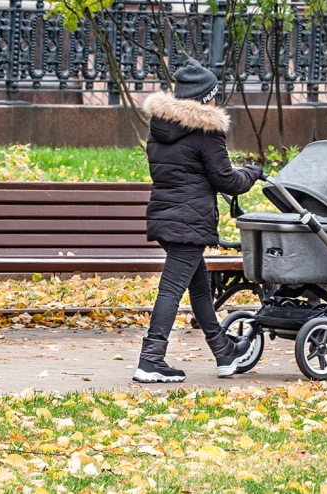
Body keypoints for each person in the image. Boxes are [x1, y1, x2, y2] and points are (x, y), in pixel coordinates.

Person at [133, 59, 264, 383]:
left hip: (167, 216)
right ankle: (151, 359)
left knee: (201, 289)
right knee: (171, 289)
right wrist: (254, 171)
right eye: (213, 96)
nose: (215, 102)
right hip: (188, 222)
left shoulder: (161, 129)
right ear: (206, 98)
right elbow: (228, 181)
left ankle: (224, 352)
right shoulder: (206, 132)